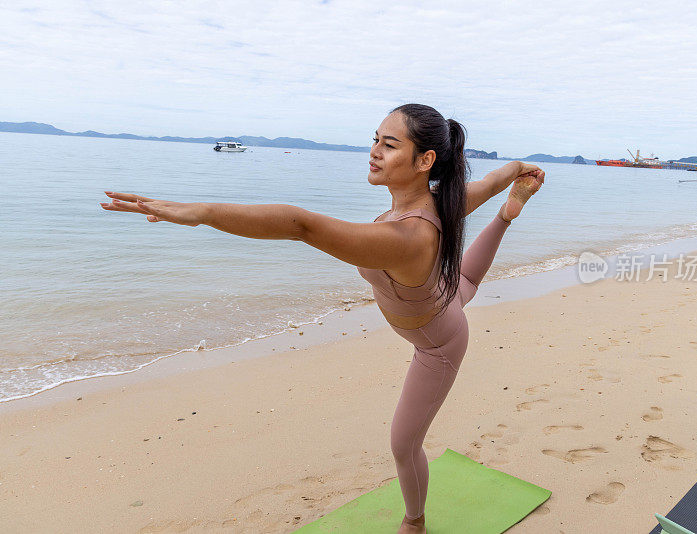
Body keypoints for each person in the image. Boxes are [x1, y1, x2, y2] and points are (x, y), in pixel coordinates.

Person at [100, 103, 544, 533]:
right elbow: (491, 179)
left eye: (389, 145)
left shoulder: (408, 235)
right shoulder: (443, 201)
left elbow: (300, 224)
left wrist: (203, 214)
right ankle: (509, 214)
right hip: (437, 301)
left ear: (425, 159)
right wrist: (519, 169)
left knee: (402, 443)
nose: (374, 151)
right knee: (461, 283)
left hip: (438, 342)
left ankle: (415, 522)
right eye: (375, 140)